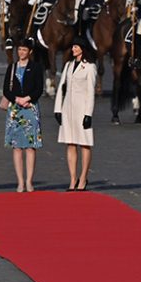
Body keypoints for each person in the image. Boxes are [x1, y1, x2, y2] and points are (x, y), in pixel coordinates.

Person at [54, 37, 97, 191]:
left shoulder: (90, 67)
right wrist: (58, 108)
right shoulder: (68, 65)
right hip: (68, 109)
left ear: (83, 49)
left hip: (82, 109)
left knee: (84, 144)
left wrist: (88, 114)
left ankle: (83, 177)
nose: (73, 49)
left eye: (76, 47)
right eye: (72, 46)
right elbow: (62, 87)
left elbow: (91, 92)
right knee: (70, 143)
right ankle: (73, 179)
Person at [2, 39, 44, 192]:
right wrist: (17, 99)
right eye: (19, 50)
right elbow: (6, 89)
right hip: (15, 110)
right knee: (17, 146)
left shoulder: (36, 68)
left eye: (24, 50)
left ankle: (29, 181)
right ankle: (20, 181)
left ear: (30, 52)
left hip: (30, 108)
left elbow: (39, 88)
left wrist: (28, 98)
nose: (21, 53)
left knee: (31, 146)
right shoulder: (12, 67)